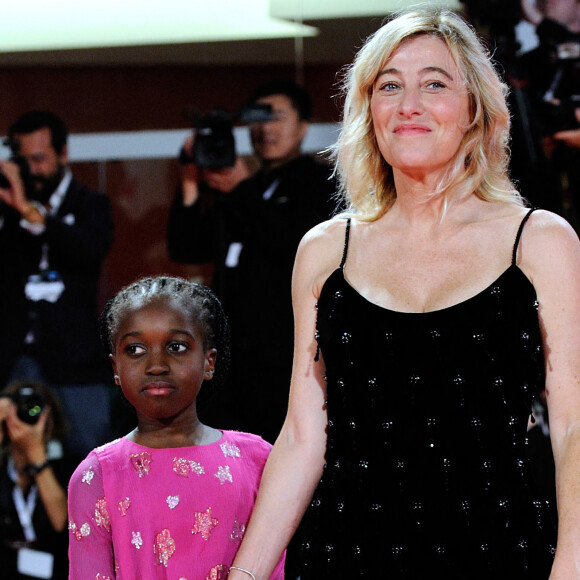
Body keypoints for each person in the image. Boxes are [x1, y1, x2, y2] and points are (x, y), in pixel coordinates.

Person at [228, 8, 580, 579]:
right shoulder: (325, 250)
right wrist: (244, 576)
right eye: (389, 86)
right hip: (345, 554)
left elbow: (572, 425)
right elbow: (302, 434)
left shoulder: (538, 241)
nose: (408, 104)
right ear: (368, 111)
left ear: (474, 111)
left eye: (434, 84)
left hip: (498, 551)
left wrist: (571, 565)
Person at [67, 275, 285, 579]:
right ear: (115, 367)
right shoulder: (97, 476)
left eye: (177, 346)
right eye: (135, 350)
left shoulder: (259, 460)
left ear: (209, 362)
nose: (156, 365)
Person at [167, 79, 337, 445]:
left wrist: (242, 188)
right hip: (232, 357)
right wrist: (191, 183)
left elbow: (293, 243)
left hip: (285, 356)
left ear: (303, 126)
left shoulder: (321, 183)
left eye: (276, 117)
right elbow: (187, 248)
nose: (265, 129)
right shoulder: (244, 189)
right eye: (257, 119)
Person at [0, 110, 115, 460]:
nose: (32, 170)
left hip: (76, 365)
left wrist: (34, 216)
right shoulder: (7, 211)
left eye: (40, 159)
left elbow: (88, 249)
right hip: (16, 360)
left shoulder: (91, 204)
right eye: (24, 160)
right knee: (17, 460)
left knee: (90, 460)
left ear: (63, 154)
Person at [0, 380, 74, 579]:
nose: (26, 415)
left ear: (49, 417)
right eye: (16, 410)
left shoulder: (73, 468)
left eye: (34, 408)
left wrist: (36, 453)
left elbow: (63, 525)